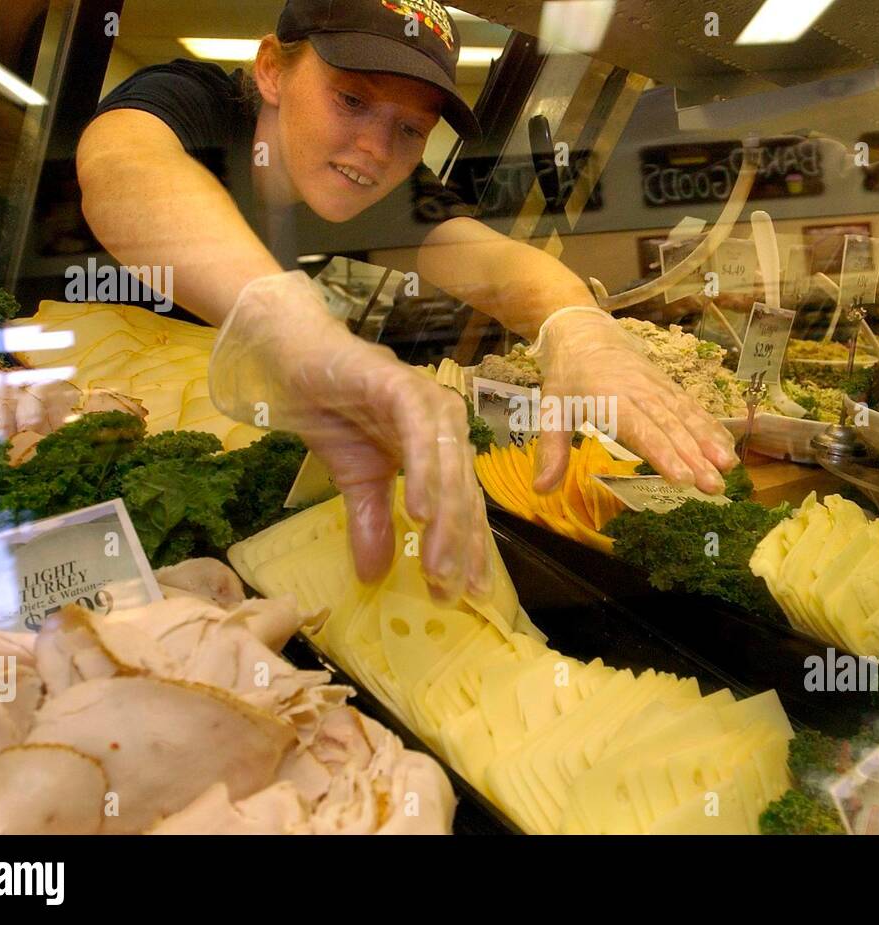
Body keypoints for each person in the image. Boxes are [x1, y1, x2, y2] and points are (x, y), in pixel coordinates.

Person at [76, 0, 737, 603]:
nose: (375, 149)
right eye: (351, 100)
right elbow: (122, 173)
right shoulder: (192, 100)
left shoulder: (387, 187)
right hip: (77, 424)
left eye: (410, 129)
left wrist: (574, 323)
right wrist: (295, 327)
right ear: (273, 69)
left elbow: (498, 263)